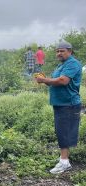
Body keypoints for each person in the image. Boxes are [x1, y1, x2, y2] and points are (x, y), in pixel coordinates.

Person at [35, 41, 82, 174]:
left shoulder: (72, 63)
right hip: (61, 103)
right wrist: (45, 79)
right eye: (57, 51)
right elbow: (55, 82)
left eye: (62, 51)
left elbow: (63, 81)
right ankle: (64, 158)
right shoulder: (61, 65)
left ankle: (64, 162)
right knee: (62, 131)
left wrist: (44, 80)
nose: (59, 53)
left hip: (68, 104)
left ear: (70, 51)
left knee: (65, 132)